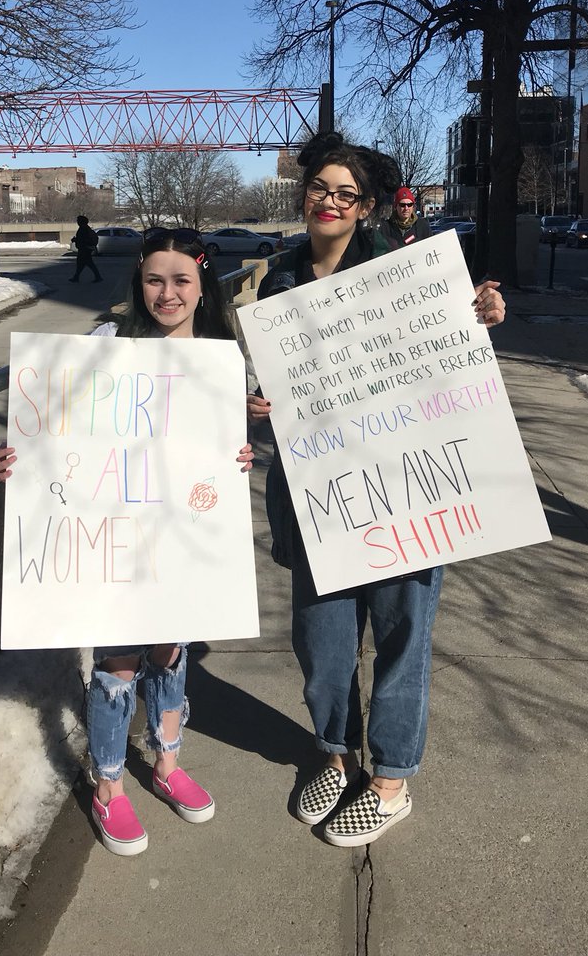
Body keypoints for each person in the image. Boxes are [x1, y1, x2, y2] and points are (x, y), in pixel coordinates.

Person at [247, 132, 505, 849]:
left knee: (400, 636)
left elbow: (453, 340)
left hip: (401, 487)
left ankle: (390, 780)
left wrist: (481, 312)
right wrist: (259, 404)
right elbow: (279, 382)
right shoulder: (279, 280)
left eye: (346, 193)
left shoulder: (402, 268)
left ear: (365, 208)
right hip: (319, 491)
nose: (329, 202)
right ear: (304, 194)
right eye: (319, 188)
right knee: (322, 642)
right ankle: (335, 754)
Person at [0, 228, 253, 857]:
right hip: (114, 534)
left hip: (183, 535)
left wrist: (240, 457)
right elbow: (52, 425)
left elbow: (220, 449)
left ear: (203, 285)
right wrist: (10, 459)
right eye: (154, 279)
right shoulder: (108, 343)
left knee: (170, 651)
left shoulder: (219, 357)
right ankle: (108, 783)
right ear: (139, 282)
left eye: (182, 280)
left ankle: (167, 761)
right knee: (118, 663)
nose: (168, 293)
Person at [69, 214, 102, 283]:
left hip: (84, 248)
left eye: (78, 221)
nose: (77, 222)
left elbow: (82, 239)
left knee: (86, 263)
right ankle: (76, 277)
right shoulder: (86, 228)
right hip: (86, 248)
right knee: (83, 263)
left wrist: (75, 240)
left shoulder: (83, 229)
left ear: (81, 221)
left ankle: (98, 277)